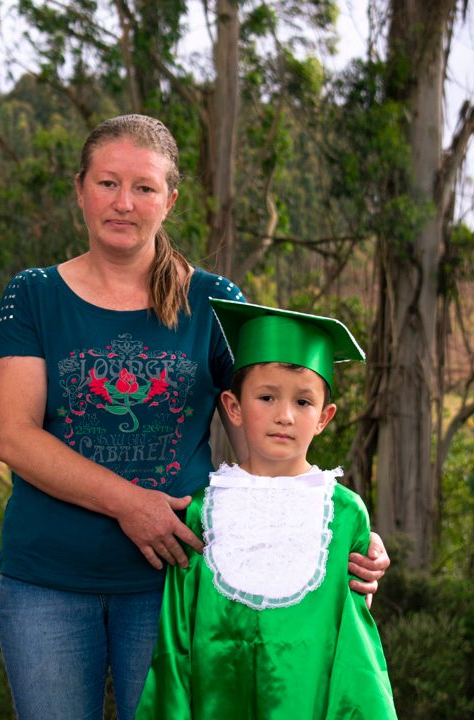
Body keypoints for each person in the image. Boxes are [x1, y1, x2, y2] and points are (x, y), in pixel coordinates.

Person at [0, 113, 390, 720]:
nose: (124, 203)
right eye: (107, 183)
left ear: (169, 200)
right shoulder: (34, 293)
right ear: (80, 189)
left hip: (178, 581)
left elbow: (268, 428)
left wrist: (334, 528)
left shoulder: (212, 300)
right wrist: (131, 503)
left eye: (144, 188)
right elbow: (14, 435)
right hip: (47, 581)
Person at [136, 299, 397, 720]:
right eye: (267, 397)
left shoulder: (344, 516)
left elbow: (355, 654)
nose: (285, 416)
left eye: (303, 403)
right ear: (234, 408)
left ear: (325, 417)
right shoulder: (204, 513)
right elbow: (175, 641)